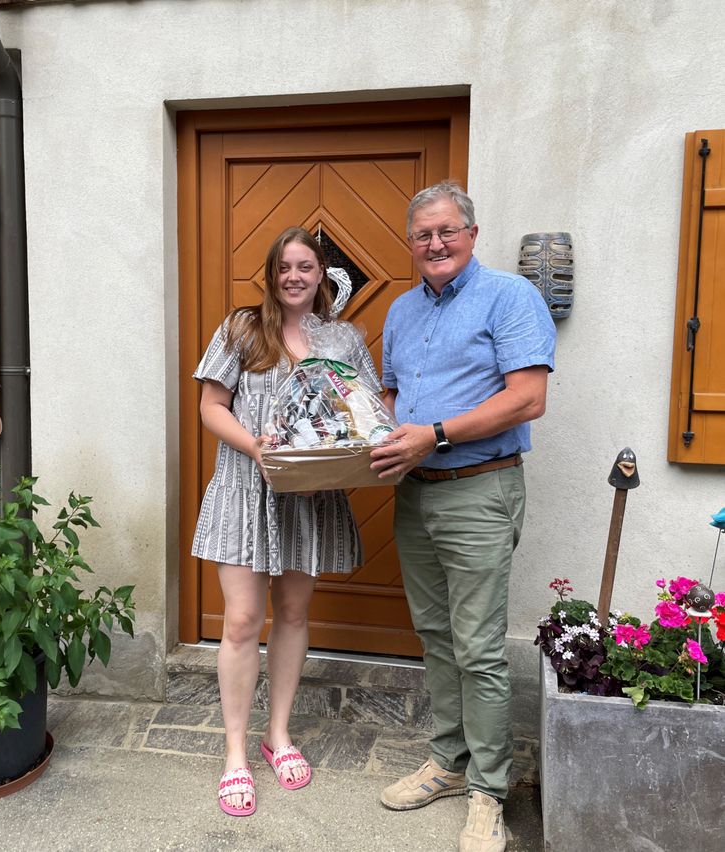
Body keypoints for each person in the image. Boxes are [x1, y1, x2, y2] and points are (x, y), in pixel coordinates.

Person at [369, 182, 556, 852]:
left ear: (472, 234)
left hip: (479, 489)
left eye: (446, 231)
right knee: (436, 637)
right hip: (414, 491)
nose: (435, 244)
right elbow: (390, 395)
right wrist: (371, 436)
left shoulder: (510, 297)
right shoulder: (400, 310)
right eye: (422, 235)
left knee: (478, 648)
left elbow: (528, 398)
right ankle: (448, 763)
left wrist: (436, 435)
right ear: (411, 243)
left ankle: (489, 792)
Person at [192, 226, 381, 817]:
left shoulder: (344, 337)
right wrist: (256, 446)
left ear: (321, 274)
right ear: (272, 275)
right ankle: (234, 755)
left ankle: (277, 735)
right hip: (247, 490)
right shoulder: (242, 327)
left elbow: (369, 409)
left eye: (306, 267)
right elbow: (209, 406)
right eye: (284, 268)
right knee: (244, 620)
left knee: (295, 613)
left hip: (309, 494)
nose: (295, 277)